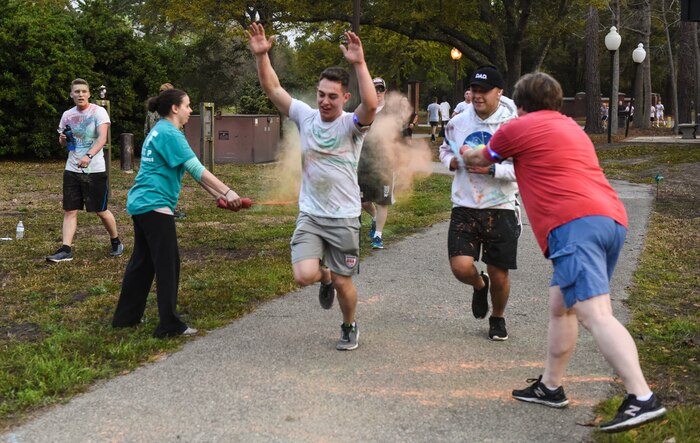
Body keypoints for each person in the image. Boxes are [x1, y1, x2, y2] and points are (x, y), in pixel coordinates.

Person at [462, 71, 667, 433]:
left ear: (520, 104)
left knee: (595, 313)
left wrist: (464, 152)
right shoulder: (572, 128)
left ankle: (641, 397)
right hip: (610, 219)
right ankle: (551, 387)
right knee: (562, 306)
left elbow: (482, 157)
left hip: (574, 225)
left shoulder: (516, 127)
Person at [247, 22, 377, 351]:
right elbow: (273, 89)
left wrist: (359, 63)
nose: (324, 101)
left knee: (346, 283)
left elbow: (371, 106)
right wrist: (263, 56)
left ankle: (349, 325)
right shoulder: (305, 116)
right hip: (311, 214)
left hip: (345, 217)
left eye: (333, 96)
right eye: (321, 94)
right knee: (304, 274)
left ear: (345, 97)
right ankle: (326, 277)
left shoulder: (352, 125)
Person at [112, 88, 243, 338]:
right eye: (187, 106)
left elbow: (188, 169)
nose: (190, 111)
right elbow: (196, 168)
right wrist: (228, 191)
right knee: (167, 265)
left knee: (143, 263)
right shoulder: (171, 133)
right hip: (155, 204)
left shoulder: (159, 130)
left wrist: (218, 196)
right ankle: (169, 325)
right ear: (175, 108)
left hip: (143, 204)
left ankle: (125, 318)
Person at [439, 66, 520, 341]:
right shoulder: (458, 122)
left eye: (484, 91)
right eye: (474, 90)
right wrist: (450, 160)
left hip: (501, 206)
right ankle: (478, 283)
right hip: (465, 204)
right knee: (460, 267)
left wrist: (491, 170)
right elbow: (445, 148)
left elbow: (523, 168)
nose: (477, 95)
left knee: (499, 274)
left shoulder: (512, 126)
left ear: (500, 93)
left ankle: (497, 318)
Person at [47, 78, 123, 263]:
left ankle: (116, 241)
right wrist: (63, 139)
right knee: (70, 210)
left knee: (100, 210)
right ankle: (66, 249)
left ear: (89, 94)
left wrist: (88, 156)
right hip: (71, 168)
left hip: (94, 170)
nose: (80, 94)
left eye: (83, 91)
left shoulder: (99, 112)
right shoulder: (67, 115)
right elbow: (63, 141)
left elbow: (102, 139)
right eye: (76, 92)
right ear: (71, 95)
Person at [357, 77, 400, 250]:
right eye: (374, 88)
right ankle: (374, 218)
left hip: (385, 161)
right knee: (362, 200)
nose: (377, 92)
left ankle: (378, 236)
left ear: (385, 91)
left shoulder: (391, 111)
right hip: (364, 160)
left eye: (380, 89)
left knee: (383, 201)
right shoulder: (363, 109)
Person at [145, 82, 186, 220]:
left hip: (154, 150)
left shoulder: (153, 109)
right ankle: (169, 209)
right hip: (168, 150)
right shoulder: (168, 113)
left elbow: (146, 130)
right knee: (168, 180)